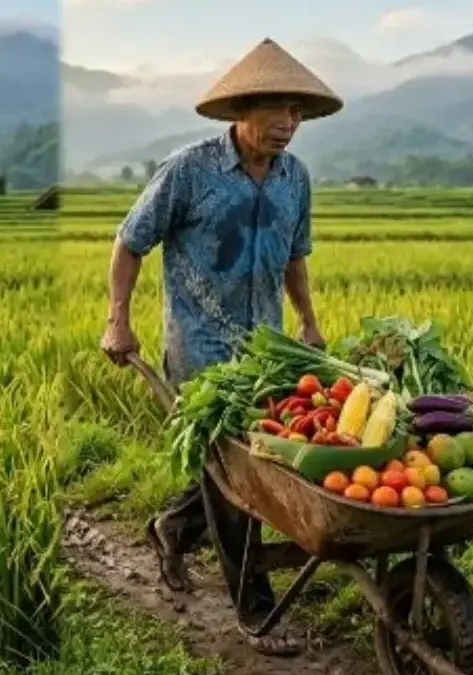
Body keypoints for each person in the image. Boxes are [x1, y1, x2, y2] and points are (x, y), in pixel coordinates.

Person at [98, 37, 340, 657]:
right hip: (200, 348)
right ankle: (255, 611)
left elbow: (295, 257)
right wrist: (116, 320)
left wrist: (309, 322)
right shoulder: (190, 170)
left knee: (240, 470)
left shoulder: (295, 179)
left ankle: (171, 529)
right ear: (241, 110)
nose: (287, 124)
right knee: (242, 482)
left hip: (266, 349)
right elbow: (130, 243)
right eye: (275, 111)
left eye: (296, 113)